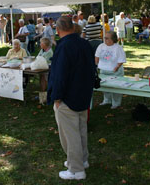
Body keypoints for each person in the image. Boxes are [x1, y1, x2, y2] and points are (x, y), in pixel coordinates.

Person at [47, 16, 95, 180]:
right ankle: (82, 160)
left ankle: (76, 169)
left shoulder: (64, 46)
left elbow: (60, 75)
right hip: (83, 93)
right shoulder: (84, 43)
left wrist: (57, 97)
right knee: (81, 130)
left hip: (68, 96)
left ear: (58, 30)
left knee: (70, 134)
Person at [95, 31, 126, 109]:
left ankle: (116, 103)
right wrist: (97, 65)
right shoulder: (101, 46)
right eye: (104, 38)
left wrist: (117, 67)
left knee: (115, 87)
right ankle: (107, 100)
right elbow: (97, 56)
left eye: (107, 38)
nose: (105, 39)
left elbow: (121, 60)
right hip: (103, 70)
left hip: (114, 71)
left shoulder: (118, 48)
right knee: (105, 86)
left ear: (113, 39)